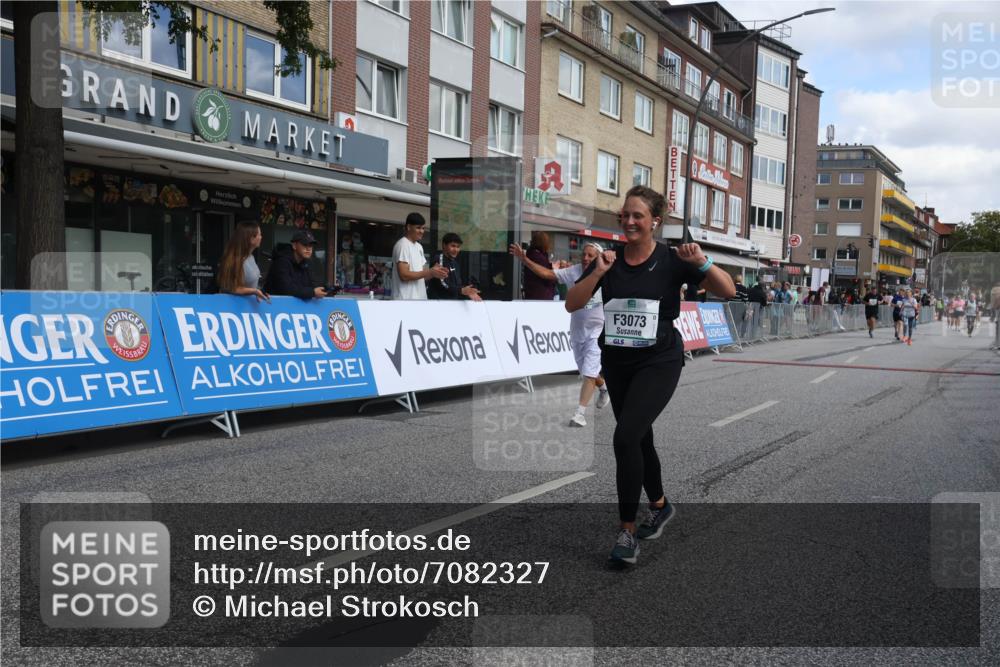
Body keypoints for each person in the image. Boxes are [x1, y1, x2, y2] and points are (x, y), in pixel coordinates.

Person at [565, 185, 736, 565]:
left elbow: (728, 290)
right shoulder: (608, 260)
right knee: (639, 438)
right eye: (624, 215)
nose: (628, 221)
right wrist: (598, 274)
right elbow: (571, 303)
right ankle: (659, 505)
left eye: (637, 216)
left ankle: (626, 532)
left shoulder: (674, 259)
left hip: (658, 360)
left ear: (655, 221)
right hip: (617, 360)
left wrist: (703, 262)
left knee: (625, 437)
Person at [510, 240, 610, 426]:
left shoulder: (606, 273)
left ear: (598, 257)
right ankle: (604, 388)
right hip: (578, 330)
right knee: (586, 370)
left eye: (591, 255)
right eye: (584, 254)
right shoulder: (574, 271)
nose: (586, 258)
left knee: (588, 372)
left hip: (598, 330)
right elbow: (548, 274)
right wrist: (525, 260)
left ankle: (579, 414)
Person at [392, 213, 448, 300]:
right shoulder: (403, 245)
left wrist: (435, 273)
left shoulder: (419, 247)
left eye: (423, 228)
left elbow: (422, 276)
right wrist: (429, 271)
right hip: (404, 301)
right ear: (409, 227)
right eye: (418, 228)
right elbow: (404, 275)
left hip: (420, 300)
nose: (422, 231)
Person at [264, 230, 327, 299]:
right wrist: (312, 292)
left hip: (293, 308)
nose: (308, 248)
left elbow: (313, 285)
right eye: (305, 244)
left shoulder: (306, 263)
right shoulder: (281, 261)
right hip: (273, 306)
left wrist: (326, 290)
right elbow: (286, 289)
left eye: (311, 245)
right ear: (294, 245)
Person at [218, 221, 269, 302]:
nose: (261, 237)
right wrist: (254, 291)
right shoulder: (235, 259)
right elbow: (231, 288)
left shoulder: (251, 257)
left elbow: (252, 284)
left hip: (247, 308)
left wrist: (260, 292)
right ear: (251, 239)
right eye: (259, 235)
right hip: (233, 307)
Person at [427, 233, 482, 301]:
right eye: (453, 246)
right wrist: (461, 290)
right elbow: (442, 283)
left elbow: (457, 285)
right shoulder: (439, 259)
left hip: (453, 303)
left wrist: (468, 292)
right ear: (444, 245)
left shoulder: (455, 263)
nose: (456, 249)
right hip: (439, 303)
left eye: (458, 247)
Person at [520, 231, 557, 300]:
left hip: (532, 294)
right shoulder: (539, 258)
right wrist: (554, 269)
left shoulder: (531, 255)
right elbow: (549, 277)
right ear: (544, 243)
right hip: (541, 296)